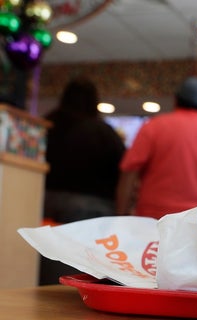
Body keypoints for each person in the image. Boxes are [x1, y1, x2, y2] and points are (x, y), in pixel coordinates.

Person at [41, 76, 126, 284]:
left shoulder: (47, 125)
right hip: (91, 208)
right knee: (75, 274)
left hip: (45, 201)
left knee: (45, 263)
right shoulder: (103, 132)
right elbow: (123, 170)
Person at [115, 76, 197, 219]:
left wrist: (120, 218)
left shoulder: (153, 128)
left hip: (153, 225)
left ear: (175, 100)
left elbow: (129, 174)